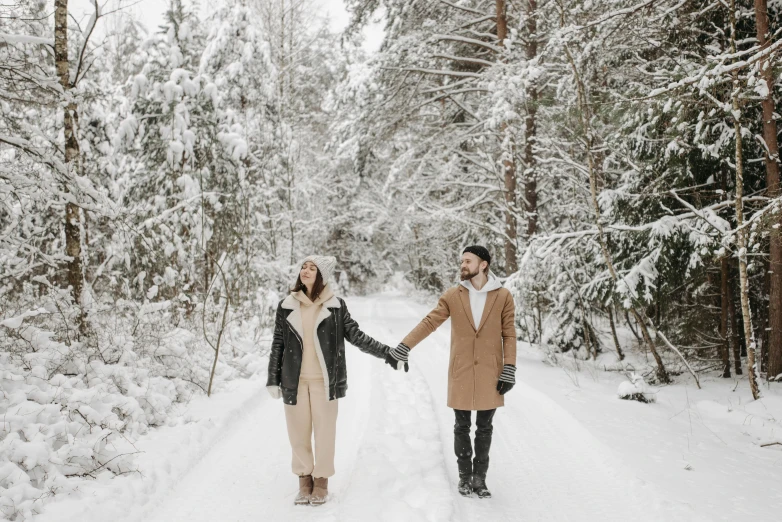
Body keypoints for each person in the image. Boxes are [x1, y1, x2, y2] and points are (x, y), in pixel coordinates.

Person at [386, 246, 517, 499]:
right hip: (462, 370)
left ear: (483, 265)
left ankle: (480, 479)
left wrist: (509, 368)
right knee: (461, 426)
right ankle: (465, 477)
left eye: (468, 261)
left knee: (485, 427)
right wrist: (404, 346)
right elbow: (430, 322)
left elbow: (509, 333)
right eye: (462, 261)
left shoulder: (503, 296)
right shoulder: (453, 295)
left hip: (491, 371)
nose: (463, 265)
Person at [266, 255, 393, 506]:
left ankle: (321, 481)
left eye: (312, 268)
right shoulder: (287, 305)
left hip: (325, 382)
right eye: (303, 266)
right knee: (298, 433)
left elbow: (357, 336)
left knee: (325, 433)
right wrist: (272, 378)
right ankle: (304, 480)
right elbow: (278, 343)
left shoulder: (336, 306)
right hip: (295, 380)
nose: (306, 270)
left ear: (321, 275)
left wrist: (387, 353)